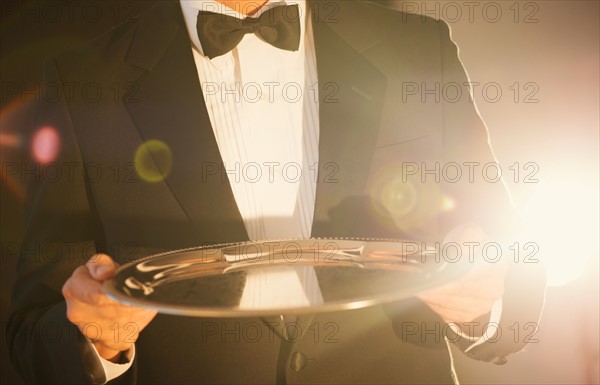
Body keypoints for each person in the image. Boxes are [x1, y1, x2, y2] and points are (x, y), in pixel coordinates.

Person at [7, 0, 546, 384]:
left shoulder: (419, 49)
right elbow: (33, 336)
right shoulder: (83, 84)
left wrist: (483, 304)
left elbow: (514, 267)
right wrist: (101, 341)